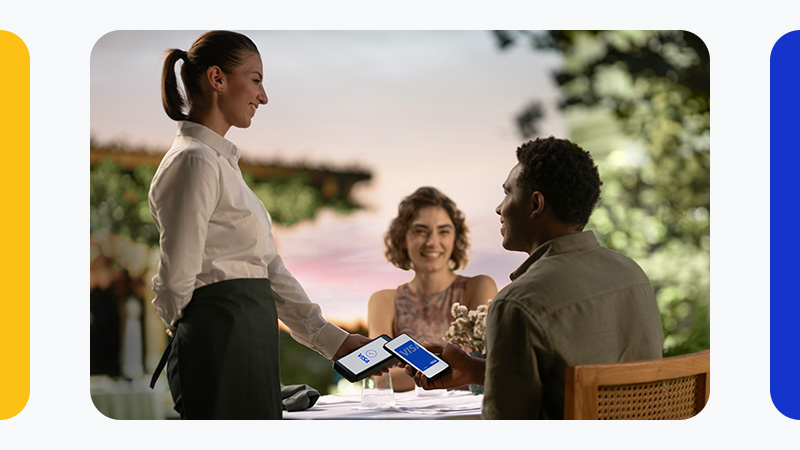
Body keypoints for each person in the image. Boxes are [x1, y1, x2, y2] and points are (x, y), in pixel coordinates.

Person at [147, 31, 371, 419]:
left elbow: (269, 269)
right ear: (217, 79)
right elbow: (176, 276)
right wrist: (186, 323)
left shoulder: (219, 165)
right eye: (255, 79)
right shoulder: (194, 161)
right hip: (219, 343)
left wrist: (335, 341)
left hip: (247, 339)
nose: (263, 96)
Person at [405, 137, 664, 419]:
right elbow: (579, 381)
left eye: (508, 193)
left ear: (535, 204)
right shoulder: (632, 275)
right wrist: (473, 369)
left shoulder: (518, 303)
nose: (499, 208)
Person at [367, 187, 497, 391]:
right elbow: (381, 379)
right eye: (420, 231)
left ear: (455, 239)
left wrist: (412, 370)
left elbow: (486, 363)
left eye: (443, 231)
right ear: (403, 239)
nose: (432, 242)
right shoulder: (383, 301)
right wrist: (457, 370)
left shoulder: (479, 286)